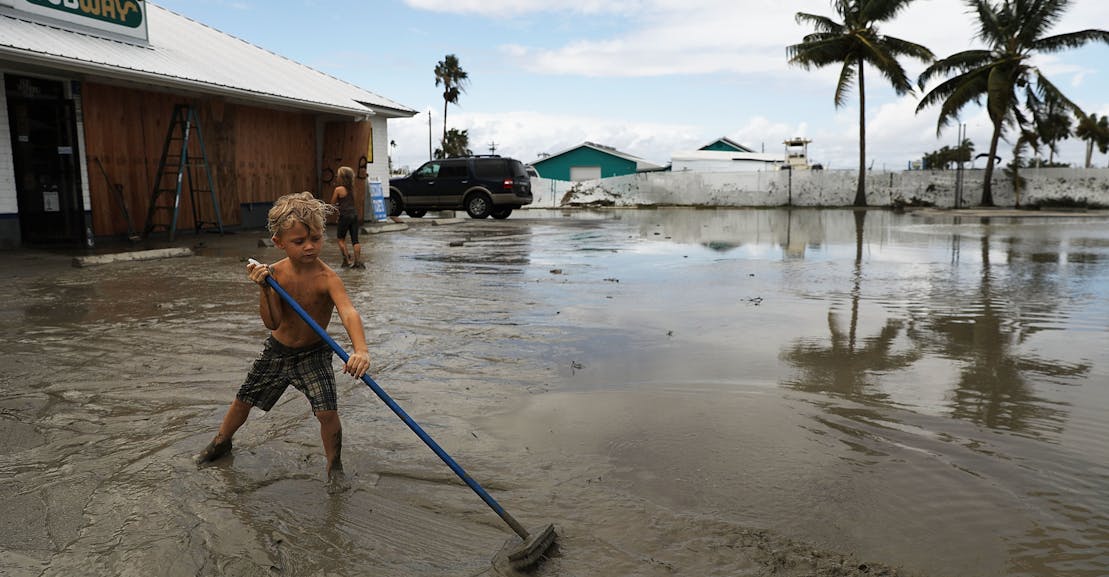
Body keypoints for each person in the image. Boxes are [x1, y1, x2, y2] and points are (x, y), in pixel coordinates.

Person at [196, 191, 371, 493]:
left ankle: (334, 465)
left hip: (314, 354)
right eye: (299, 241)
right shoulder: (274, 275)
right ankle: (221, 442)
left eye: (315, 238)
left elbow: (348, 311)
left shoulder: (327, 278)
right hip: (277, 352)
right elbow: (272, 322)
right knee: (243, 400)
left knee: (327, 412)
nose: (309, 247)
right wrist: (265, 290)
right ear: (279, 242)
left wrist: (361, 350)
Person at [330, 166, 364, 269]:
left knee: (341, 239)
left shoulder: (338, 189)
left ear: (342, 177)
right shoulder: (353, 189)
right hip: (354, 215)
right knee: (355, 240)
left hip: (344, 216)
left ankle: (346, 260)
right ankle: (357, 262)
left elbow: (332, 203)